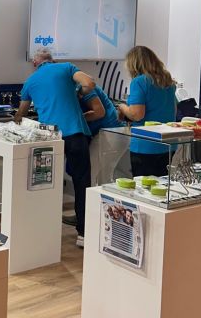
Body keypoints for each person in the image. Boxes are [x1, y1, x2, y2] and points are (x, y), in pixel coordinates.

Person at [14, 51, 96, 245]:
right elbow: (89, 83)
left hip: (49, 138)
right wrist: (80, 92)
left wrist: (17, 119)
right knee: (81, 183)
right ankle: (83, 234)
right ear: (52, 60)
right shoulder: (66, 68)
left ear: (35, 63)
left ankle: (44, 234)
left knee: (46, 183)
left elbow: (21, 113)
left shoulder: (30, 81)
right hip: (75, 133)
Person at [117, 45, 177, 177]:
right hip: (168, 143)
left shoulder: (139, 82)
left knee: (143, 186)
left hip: (146, 145)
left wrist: (122, 107)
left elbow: (136, 114)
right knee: (162, 184)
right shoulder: (168, 82)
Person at [79, 85, 128, 186]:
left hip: (110, 132)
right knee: (104, 178)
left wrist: (77, 118)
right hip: (116, 131)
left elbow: (99, 112)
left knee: (91, 175)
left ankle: (89, 197)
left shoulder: (83, 87)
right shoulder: (81, 87)